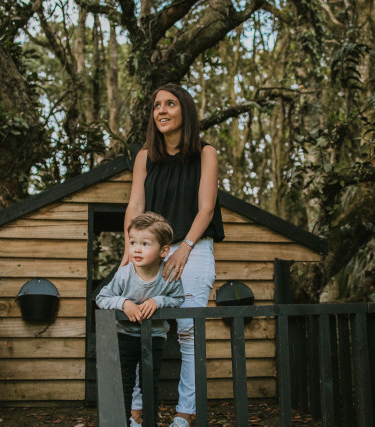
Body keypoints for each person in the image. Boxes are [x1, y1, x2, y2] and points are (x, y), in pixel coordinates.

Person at [122, 83, 225, 427]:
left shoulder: (205, 153)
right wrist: (129, 250)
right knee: (143, 329)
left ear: (185, 111)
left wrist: (185, 247)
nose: (162, 111)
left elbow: (206, 208)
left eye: (170, 104)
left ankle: (186, 412)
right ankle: (138, 410)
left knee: (188, 332)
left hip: (193, 249)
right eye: (157, 106)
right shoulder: (144, 157)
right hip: (150, 252)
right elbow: (135, 206)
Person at [96, 212, 185, 426]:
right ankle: (125, 423)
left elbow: (179, 299)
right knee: (125, 382)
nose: (136, 249)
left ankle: (150, 423)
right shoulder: (124, 274)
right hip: (125, 336)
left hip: (154, 337)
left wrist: (159, 301)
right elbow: (102, 298)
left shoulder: (168, 276)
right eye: (133, 242)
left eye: (145, 244)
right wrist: (123, 303)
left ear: (164, 251)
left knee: (149, 383)